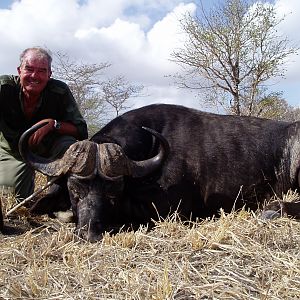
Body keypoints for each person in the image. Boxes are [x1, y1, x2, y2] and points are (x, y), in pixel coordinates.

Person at [0, 47, 88, 202]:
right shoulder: (3, 87)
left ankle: (60, 199)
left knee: (71, 147)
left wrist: (53, 124)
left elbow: (81, 131)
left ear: (49, 74)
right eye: (29, 69)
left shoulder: (60, 91)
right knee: (11, 197)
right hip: (12, 151)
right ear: (19, 71)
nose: (35, 76)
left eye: (41, 71)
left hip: (49, 150)